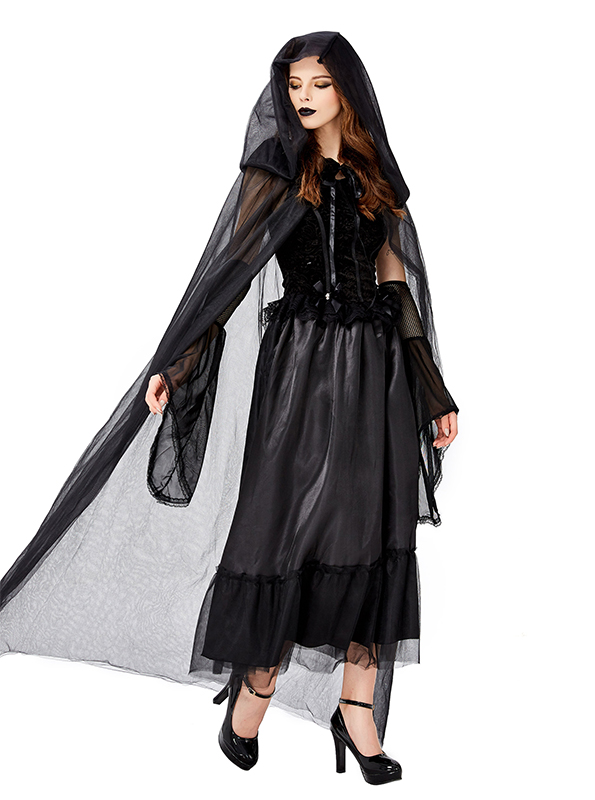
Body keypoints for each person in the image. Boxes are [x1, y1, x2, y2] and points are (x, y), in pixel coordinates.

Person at [0, 32, 458, 786]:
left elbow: (395, 284)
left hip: (376, 378)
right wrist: (178, 362)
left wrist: (432, 391)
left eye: (319, 83)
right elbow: (229, 272)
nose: (303, 96)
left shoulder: (377, 175)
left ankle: (356, 710)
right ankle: (255, 687)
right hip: (302, 374)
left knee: (371, 529)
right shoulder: (276, 170)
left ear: (347, 88)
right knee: (281, 527)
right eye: (294, 84)